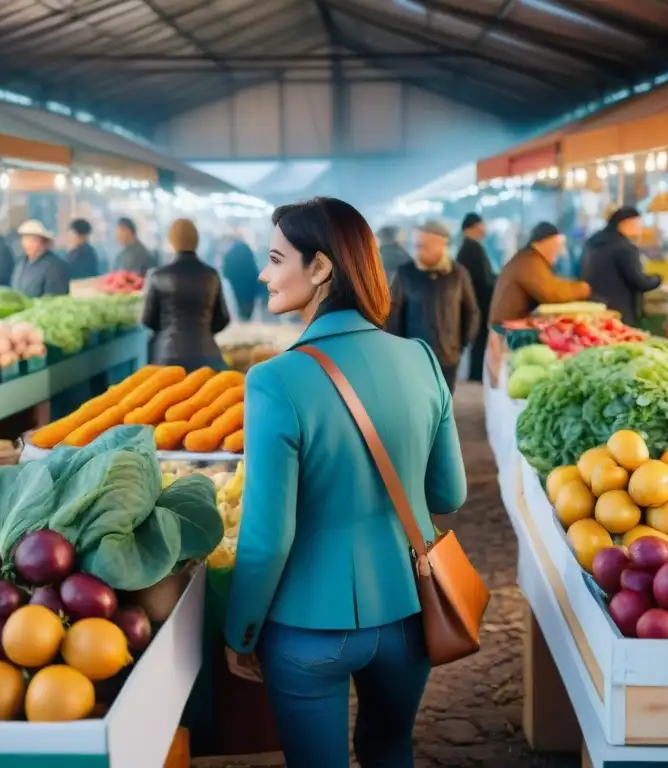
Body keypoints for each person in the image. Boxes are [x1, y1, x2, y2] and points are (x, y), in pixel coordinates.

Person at [224, 197, 467, 768]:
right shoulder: (421, 359)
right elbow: (448, 495)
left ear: (321, 268)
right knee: (389, 751)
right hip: (409, 612)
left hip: (306, 626)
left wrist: (240, 631)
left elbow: (266, 536)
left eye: (275, 257)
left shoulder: (274, 380)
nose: (263, 272)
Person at [386, 220, 479, 395]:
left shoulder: (458, 274)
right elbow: (393, 315)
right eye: (417, 245)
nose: (418, 250)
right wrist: (400, 350)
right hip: (415, 357)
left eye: (424, 246)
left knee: (444, 400)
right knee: (417, 402)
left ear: (441, 244)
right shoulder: (405, 273)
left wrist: (461, 344)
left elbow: (471, 312)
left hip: (448, 355)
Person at [142, 218, 230, 371]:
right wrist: (203, 331)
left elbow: (148, 320)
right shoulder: (211, 275)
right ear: (197, 240)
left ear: (171, 241)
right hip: (208, 356)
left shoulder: (157, 276)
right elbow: (222, 318)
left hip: (167, 357)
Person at [489, 222, 591, 324]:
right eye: (556, 244)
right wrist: (582, 288)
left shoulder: (529, 259)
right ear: (544, 242)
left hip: (508, 327)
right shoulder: (529, 262)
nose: (559, 250)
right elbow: (550, 293)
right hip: (507, 331)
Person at [581, 206, 661, 327]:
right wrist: (658, 279)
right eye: (638, 224)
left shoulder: (593, 242)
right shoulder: (625, 248)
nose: (641, 228)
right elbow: (639, 282)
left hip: (594, 308)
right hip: (619, 312)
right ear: (626, 224)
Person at [455, 213, 496, 382]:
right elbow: (481, 280)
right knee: (479, 345)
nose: (484, 230)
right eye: (481, 225)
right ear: (470, 228)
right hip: (479, 305)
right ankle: (476, 377)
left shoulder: (468, 248)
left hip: (476, 304)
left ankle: (476, 376)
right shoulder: (472, 249)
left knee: (478, 345)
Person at [10, 220, 70, 298]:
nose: (27, 244)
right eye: (25, 239)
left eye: (31, 240)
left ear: (43, 242)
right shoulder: (21, 263)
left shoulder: (55, 266)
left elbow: (54, 298)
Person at [221, 231, 261, 321]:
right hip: (250, 288)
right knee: (247, 312)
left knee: (239, 311)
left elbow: (226, 272)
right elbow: (255, 269)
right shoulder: (247, 250)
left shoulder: (230, 254)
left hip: (236, 288)